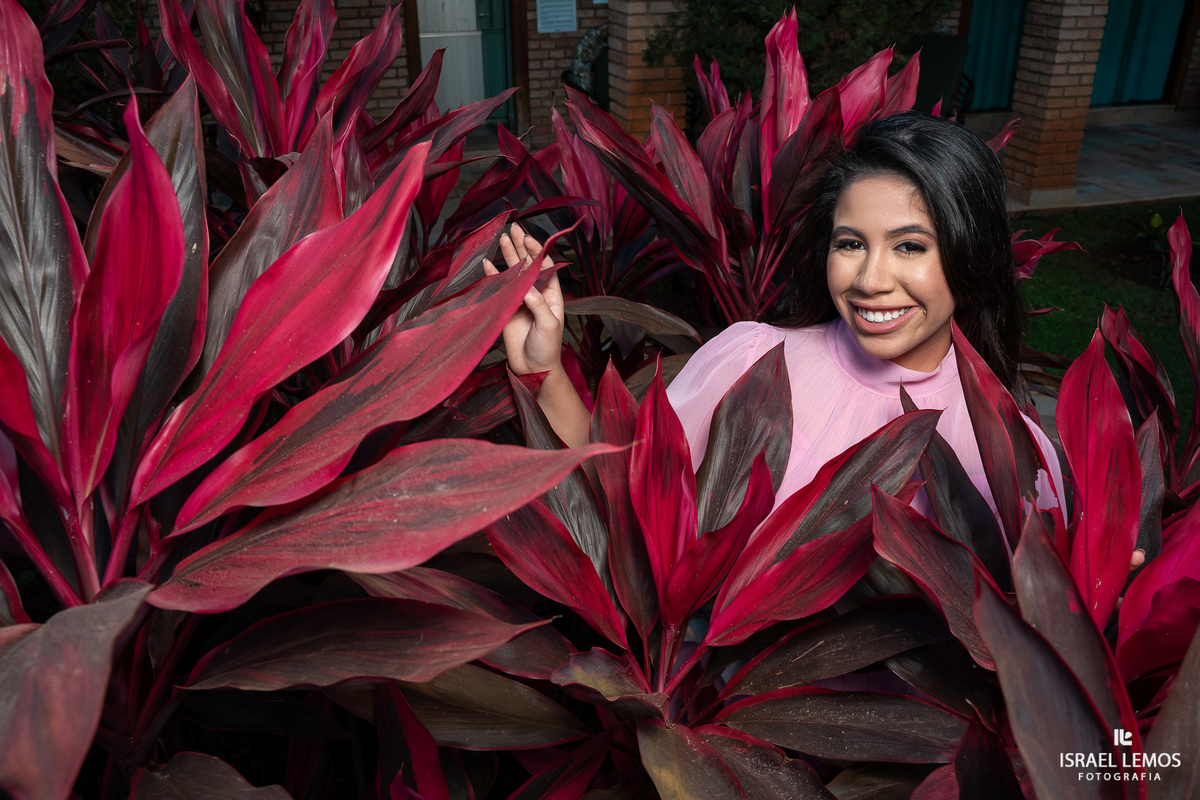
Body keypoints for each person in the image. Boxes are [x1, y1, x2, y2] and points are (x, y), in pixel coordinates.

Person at [484, 112, 1141, 566]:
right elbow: (628, 494)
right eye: (850, 243)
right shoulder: (753, 360)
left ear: (970, 264)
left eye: (910, 246)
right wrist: (546, 371)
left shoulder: (1009, 445)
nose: (871, 279)